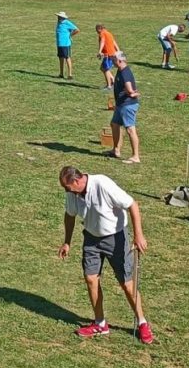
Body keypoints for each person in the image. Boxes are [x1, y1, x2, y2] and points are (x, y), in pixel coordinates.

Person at [58, 165, 153, 343]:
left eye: (67, 187)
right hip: (91, 239)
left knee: (126, 284)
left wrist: (138, 235)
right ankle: (100, 323)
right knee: (91, 278)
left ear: (77, 181)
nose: (66, 191)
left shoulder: (102, 184)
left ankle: (142, 322)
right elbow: (69, 215)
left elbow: (132, 204)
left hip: (116, 238)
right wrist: (67, 242)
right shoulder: (73, 194)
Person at [107, 52, 141, 163]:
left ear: (120, 61)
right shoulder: (121, 69)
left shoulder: (125, 73)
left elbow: (129, 88)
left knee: (130, 130)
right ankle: (116, 150)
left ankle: (135, 156)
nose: (112, 62)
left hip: (128, 105)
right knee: (114, 124)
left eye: (114, 60)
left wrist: (131, 92)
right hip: (121, 105)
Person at [96, 23, 120, 98]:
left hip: (107, 54)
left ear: (99, 28)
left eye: (96, 30)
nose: (97, 32)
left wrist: (99, 51)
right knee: (103, 68)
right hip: (112, 54)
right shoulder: (109, 33)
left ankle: (109, 86)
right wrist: (118, 50)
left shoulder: (102, 33)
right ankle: (112, 80)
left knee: (105, 69)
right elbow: (114, 42)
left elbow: (102, 41)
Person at [55, 12, 79, 80]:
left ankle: (70, 74)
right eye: (58, 16)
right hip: (59, 44)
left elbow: (77, 30)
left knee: (67, 58)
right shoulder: (59, 23)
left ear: (63, 17)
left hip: (65, 44)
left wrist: (70, 35)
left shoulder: (67, 23)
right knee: (60, 58)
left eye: (59, 17)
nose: (58, 18)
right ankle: (61, 74)